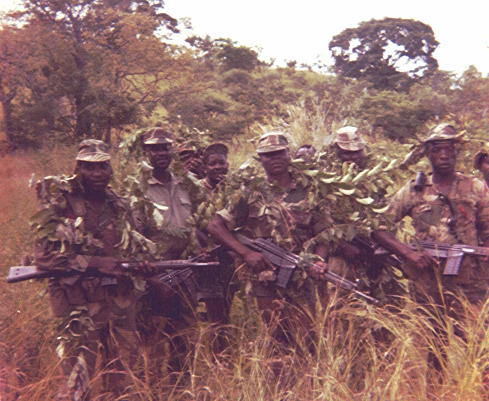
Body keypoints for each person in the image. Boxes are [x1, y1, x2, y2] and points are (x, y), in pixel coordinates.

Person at [207, 131, 329, 383]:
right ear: (260, 159)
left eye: (279, 153)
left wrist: (319, 260)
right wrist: (246, 253)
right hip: (267, 277)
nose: (275, 159)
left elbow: (324, 232)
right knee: (277, 334)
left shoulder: (309, 189)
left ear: (288, 155)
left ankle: (310, 386)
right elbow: (216, 226)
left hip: (301, 272)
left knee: (308, 336)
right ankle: (279, 388)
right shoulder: (250, 192)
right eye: (268, 155)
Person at [371, 123, 489, 371]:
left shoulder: (476, 187)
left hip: (471, 280)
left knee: (480, 345)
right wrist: (409, 253)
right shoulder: (414, 190)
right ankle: (435, 392)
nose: (443, 155)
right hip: (429, 280)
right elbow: (378, 227)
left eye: (449, 149)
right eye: (437, 150)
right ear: (428, 153)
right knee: (435, 345)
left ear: (457, 151)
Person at [33, 139, 142, 400]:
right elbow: (45, 257)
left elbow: (132, 248)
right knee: (77, 380)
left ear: (110, 169)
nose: (96, 174)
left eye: (102, 167)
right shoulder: (60, 204)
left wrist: (141, 265)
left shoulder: (120, 204)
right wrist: (94, 263)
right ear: (77, 169)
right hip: (79, 302)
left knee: (122, 374)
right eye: (89, 168)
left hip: (117, 301)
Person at [138, 126, 199, 388]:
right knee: (152, 336)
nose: (161, 152)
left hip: (185, 270)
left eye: (165, 147)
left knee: (184, 334)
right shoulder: (137, 187)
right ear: (145, 152)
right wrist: (152, 278)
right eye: (154, 148)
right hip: (153, 272)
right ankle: (151, 388)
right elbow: (133, 236)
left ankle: (180, 387)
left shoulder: (186, 185)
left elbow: (196, 224)